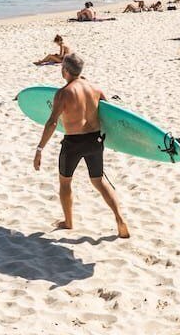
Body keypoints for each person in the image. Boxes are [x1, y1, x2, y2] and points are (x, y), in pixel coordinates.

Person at [33, 53, 129, 236]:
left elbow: (52, 122)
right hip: (95, 140)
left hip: (73, 143)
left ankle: (68, 222)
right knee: (99, 181)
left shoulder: (64, 93)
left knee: (65, 182)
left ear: (65, 70)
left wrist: (39, 149)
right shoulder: (96, 89)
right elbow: (109, 116)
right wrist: (115, 141)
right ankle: (119, 218)